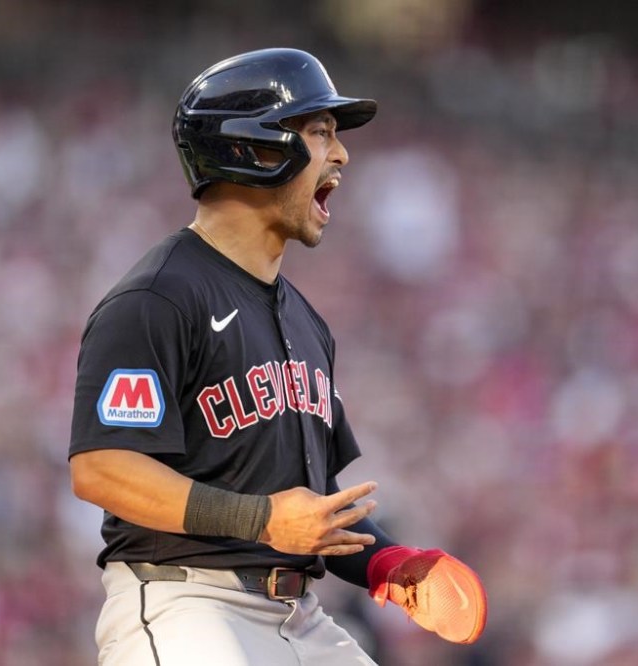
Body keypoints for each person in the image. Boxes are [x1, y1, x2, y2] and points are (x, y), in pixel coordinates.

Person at [68, 47, 487, 665]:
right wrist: (262, 519)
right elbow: (103, 468)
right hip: (186, 604)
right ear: (252, 148)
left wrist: (388, 563)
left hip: (298, 614)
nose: (340, 154)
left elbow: (313, 502)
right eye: (319, 131)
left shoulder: (305, 322)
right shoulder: (157, 298)